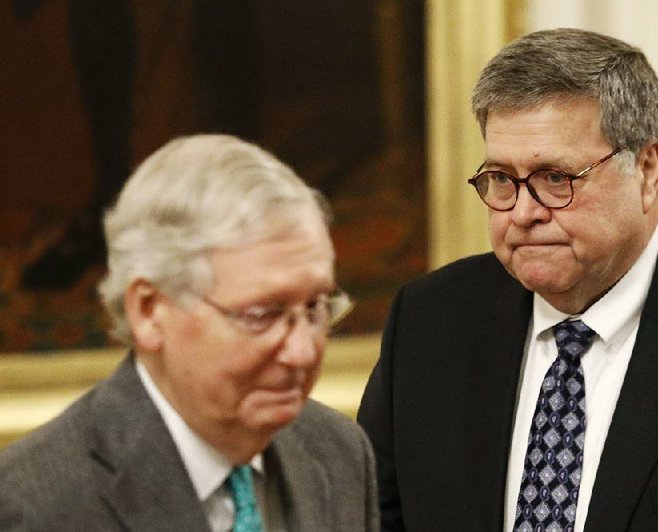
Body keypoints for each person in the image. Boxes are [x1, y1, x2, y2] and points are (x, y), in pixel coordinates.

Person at [357, 28, 658, 531]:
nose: (523, 212)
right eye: (501, 179)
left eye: (555, 179)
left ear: (648, 170)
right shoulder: (431, 319)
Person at [0, 134, 379, 531]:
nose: (302, 353)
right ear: (149, 311)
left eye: (316, 307)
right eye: (261, 315)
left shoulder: (340, 454)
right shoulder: (34, 507)